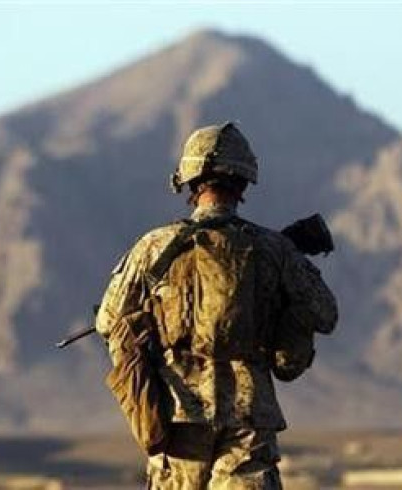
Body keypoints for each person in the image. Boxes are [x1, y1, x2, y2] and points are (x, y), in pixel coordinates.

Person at [95, 122, 338, 489]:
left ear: (190, 182)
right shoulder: (275, 250)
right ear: (243, 184)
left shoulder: (154, 247)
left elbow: (108, 321)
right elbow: (325, 313)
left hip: (177, 422)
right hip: (249, 423)